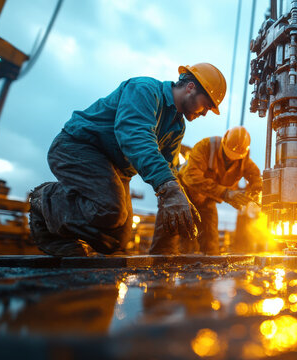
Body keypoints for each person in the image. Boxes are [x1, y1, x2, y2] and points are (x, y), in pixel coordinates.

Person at [28, 63, 227, 257]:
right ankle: (44, 198)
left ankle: (58, 236)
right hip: (78, 147)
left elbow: (168, 166)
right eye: (206, 106)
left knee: (116, 240)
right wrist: (169, 187)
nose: (204, 113)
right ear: (191, 88)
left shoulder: (177, 126)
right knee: (109, 209)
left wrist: (176, 197)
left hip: (114, 168)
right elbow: (135, 135)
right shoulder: (145, 90)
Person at [150, 126, 262, 255]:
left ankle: (207, 271)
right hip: (182, 193)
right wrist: (225, 193)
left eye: (235, 158)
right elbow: (192, 177)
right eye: (228, 156)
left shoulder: (244, 160)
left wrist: (256, 191)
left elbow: (255, 176)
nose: (231, 159)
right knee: (168, 236)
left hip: (206, 199)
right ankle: (159, 266)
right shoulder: (205, 146)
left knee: (210, 245)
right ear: (223, 142)